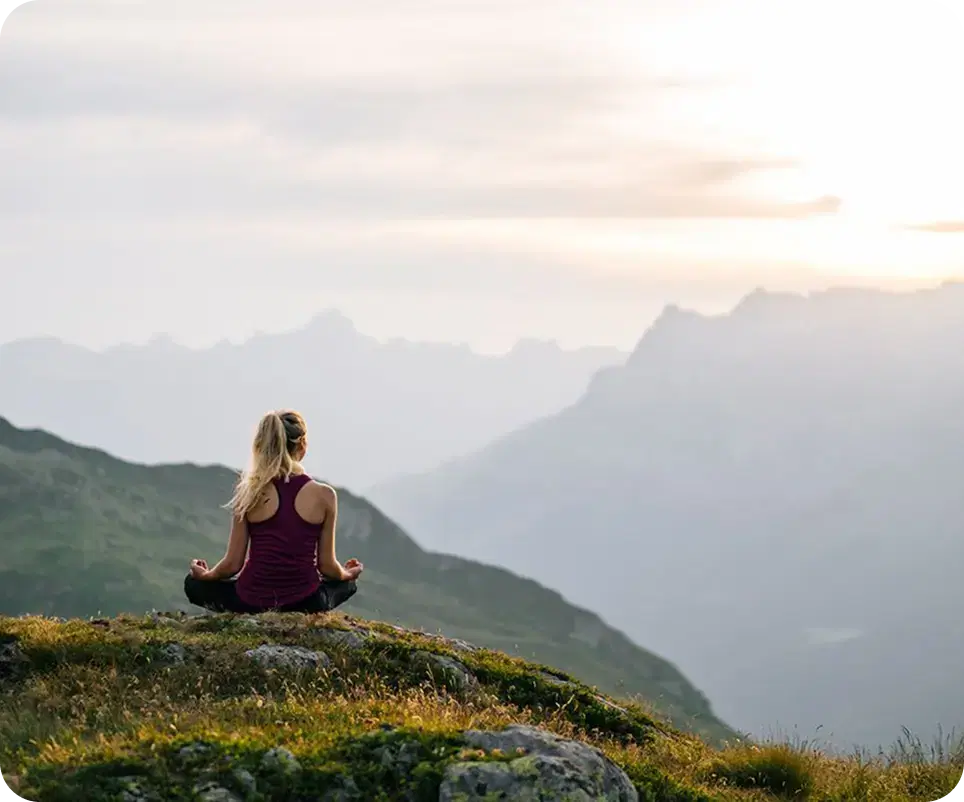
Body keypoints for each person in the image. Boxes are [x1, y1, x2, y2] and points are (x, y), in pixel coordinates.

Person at [184, 409, 363, 614]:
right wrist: (348, 574)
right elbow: (327, 566)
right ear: (302, 445)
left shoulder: (250, 492)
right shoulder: (325, 495)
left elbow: (232, 564)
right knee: (347, 585)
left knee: (192, 583)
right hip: (307, 602)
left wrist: (205, 576)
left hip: (250, 603)